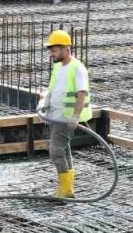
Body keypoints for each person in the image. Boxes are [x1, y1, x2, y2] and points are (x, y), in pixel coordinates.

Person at [37, 30, 92, 198]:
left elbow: (81, 93)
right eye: (51, 51)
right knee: (63, 149)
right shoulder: (58, 67)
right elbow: (52, 89)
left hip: (67, 117)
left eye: (55, 51)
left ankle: (66, 189)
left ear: (66, 49)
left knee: (55, 150)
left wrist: (76, 116)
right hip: (57, 115)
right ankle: (67, 188)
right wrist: (44, 103)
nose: (52, 54)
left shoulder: (77, 68)